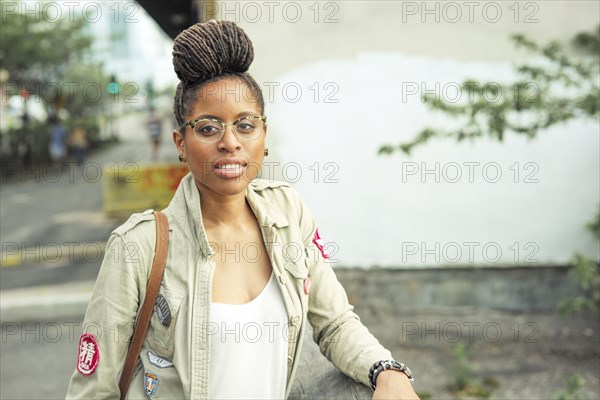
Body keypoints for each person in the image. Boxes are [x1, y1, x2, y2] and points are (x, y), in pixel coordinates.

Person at [66, 20, 419, 400]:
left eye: (246, 125)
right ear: (180, 143)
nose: (230, 142)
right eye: (207, 128)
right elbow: (93, 390)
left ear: (264, 136)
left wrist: (387, 370)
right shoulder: (138, 246)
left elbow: (334, 322)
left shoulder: (288, 214)